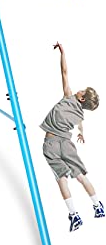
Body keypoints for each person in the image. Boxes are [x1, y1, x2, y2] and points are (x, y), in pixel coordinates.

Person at [40, 42, 103, 232]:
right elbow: (80, 123)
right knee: (80, 176)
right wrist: (81, 132)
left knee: (62, 178)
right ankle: (97, 205)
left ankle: (75, 215)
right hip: (66, 144)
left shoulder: (69, 96)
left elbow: (64, 72)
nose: (79, 90)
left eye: (82, 91)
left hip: (51, 143)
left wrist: (63, 53)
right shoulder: (80, 114)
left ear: (81, 98)